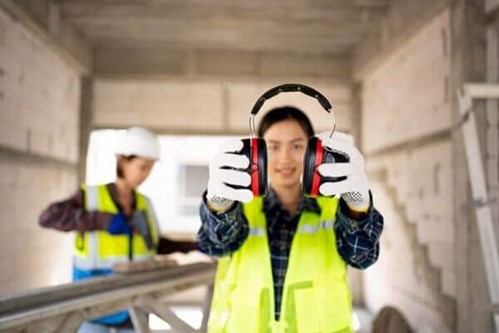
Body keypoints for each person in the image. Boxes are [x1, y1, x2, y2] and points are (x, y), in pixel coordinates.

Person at [198, 106, 384, 333]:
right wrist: (219, 205)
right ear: (259, 154)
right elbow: (215, 244)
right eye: (273, 147)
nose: (285, 158)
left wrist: (357, 207)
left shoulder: (334, 209)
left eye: (297, 146)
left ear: (313, 153)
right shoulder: (241, 205)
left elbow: (362, 257)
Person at [39, 127, 197, 333]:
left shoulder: (144, 204)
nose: (146, 174)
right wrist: (102, 220)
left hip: (135, 306)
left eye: (150, 168)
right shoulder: (91, 197)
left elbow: (153, 245)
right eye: (142, 167)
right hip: (93, 308)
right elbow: (48, 217)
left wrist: (193, 245)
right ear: (123, 161)